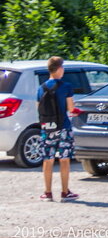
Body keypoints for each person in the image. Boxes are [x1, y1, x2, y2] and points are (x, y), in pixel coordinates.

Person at [39, 56, 77, 201]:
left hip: (47, 128)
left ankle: (47, 193)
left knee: (47, 160)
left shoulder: (40, 88)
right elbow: (71, 108)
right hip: (64, 128)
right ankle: (65, 192)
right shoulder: (66, 87)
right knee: (64, 159)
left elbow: (39, 108)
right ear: (60, 68)